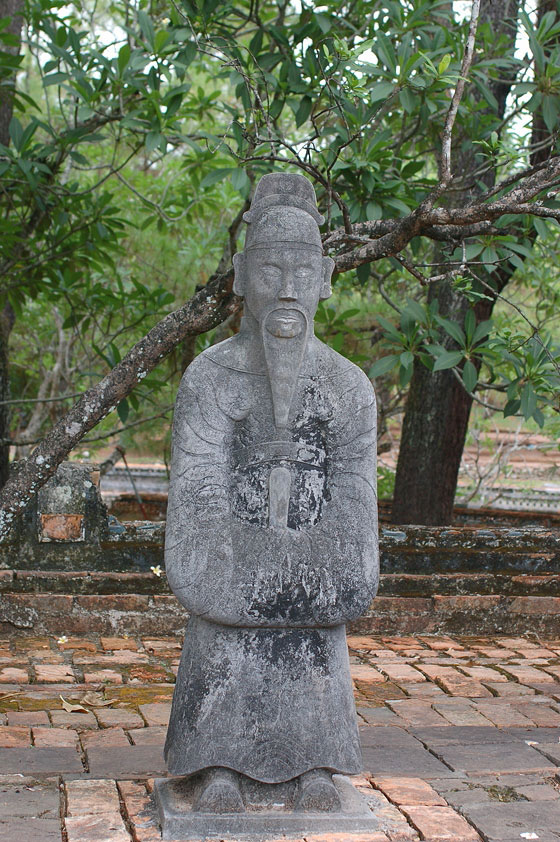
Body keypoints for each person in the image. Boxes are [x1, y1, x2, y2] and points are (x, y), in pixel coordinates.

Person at [164, 172, 379, 812]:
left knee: (314, 641)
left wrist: (293, 568)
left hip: (298, 580)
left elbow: (353, 532)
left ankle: (315, 763)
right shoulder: (209, 379)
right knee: (221, 631)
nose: (286, 290)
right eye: (268, 271)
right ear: (239, 275)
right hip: (231, 572)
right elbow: (197, 510)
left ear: (326, 276)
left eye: (301, 271)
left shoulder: (347, 388)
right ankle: (215, 763)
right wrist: (276, 570)